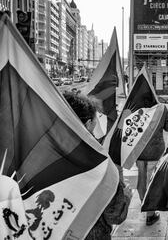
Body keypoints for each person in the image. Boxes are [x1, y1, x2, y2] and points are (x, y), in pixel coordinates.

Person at [63, 92, 132, 240]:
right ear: (88, 124)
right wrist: (125, 197)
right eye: (96, 119)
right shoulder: (98, 162)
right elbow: (114, 215)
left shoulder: (40, 153)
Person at [136, 104, 168, 226]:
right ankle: (150, 214)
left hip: (138, 149)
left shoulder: (136, 107)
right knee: (151, 181)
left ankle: (145, 203)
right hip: (155, 150)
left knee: (141, 177)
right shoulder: (161, 109)